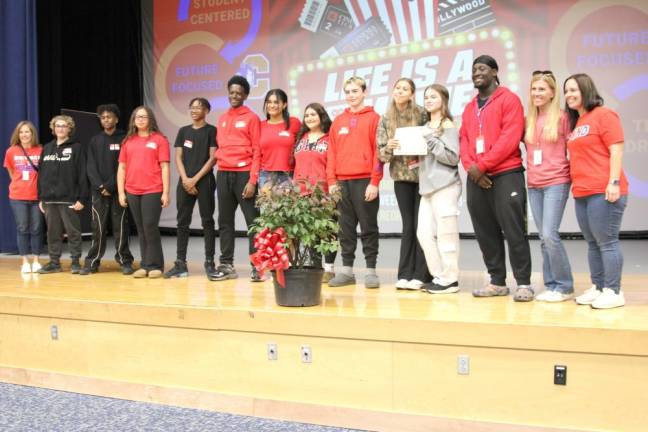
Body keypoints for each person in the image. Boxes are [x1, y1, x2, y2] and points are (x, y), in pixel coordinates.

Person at [459, 55, 533, 301]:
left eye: (482, 69)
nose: (477, 73)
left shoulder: (509, 100)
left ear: (494, 72)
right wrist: (473, 168)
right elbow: (465, 141)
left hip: (506, 175)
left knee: (514, 231)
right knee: (485, 233)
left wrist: (482, 165)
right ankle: (497, 282)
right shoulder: (470, 107)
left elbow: (510, 138)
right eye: (474, 70)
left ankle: (524, 283)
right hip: (476, 179)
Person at [564, 73, 629, 309]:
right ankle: (599, 286)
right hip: (582, 191)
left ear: (586, 90)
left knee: (607, 242)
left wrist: (613, 182)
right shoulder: (578, 122)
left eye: (574, 90)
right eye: (567, 91)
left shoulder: (604, 115)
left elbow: (617, 150)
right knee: (592, 243)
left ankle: (614, 290)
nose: (569, 95)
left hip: (603, 190)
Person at [326, 76, 383, 288]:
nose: (351, 95)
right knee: (345, 229)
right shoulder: (338, 121)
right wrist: (332, 181)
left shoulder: (375, 118)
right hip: (341, 183)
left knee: (369, 227)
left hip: (365, 181)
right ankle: (347, 272)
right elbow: (331, 152)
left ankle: (371, 272)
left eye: (355, 91)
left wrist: (375, 181)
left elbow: (379, 153)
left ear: (364, 92)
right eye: (348, 91)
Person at [377, 77, 431, 290]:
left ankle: (421, 274)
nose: (400, 91)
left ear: (412, 94)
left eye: (405, 89)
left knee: (422, 226)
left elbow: (435, 134)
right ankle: (404, 273)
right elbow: (381, 155)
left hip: (424, 177)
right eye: (397, 88)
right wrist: (389, 147)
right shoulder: (385, 118)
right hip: (401, 179)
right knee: (408, 226)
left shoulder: (421, 113)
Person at [524, 71, 574, 302]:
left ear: (553, 93)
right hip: (534, 184)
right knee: (543, 238)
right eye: (534, 89)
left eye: (542, 89)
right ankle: (551, 284)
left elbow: (576, 147)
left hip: (556, 181)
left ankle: (564, 286)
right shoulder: (530, 119)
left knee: (549, 234)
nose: (537, 93)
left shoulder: (562, 118)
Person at [209, 75, 262, 282]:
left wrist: (252, 180)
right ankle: (227, 265)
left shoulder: (252, 118)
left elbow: (257, 150)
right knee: (224, 221)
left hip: (244, 175)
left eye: (239, 92)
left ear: (246, 95)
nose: (235, 96)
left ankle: (258, 267)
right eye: (231, 92)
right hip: (223, 174)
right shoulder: (222, 118)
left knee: (253, 223)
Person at [164, 98, 217, 279]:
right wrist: (186, 179)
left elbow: (212, 158)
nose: (194, 110)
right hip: (185, 181)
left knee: (207, 221)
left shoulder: (212, 131)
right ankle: (180, 263)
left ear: (207, 111)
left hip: (204, 181)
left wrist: (195, 179)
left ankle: (209, 262)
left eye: (198, 107)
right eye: (192, 107)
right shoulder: (183, 131)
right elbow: (178, 157)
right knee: (182, 222)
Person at [417, 84, 462, 294]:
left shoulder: (448, 125)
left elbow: (452, 158)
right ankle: (440, 276)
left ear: (443, 100)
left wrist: (431, 140)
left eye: (433, 97)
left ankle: (451, 279)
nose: (428, 100)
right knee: (423, 234)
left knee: (447, 234)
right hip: (427, 187)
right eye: (426, 97)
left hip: (446, 185)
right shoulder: (424, 126)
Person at [80, 104, 135, 275]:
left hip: (119, 191)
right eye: (103, 117)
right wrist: (100, 186)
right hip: (99, 192)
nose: (106, 120)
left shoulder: (125, 139)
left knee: (121, 228)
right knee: (98, 228)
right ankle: (92, 261)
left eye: (109, 117)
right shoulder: (95, 140)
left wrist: (111, 186)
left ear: (116, 119)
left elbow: (125, 165)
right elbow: (90, 167)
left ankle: (125, 260)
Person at [117, 106, 170, 278]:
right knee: (140, 228)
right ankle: (145, 265)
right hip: (132, 190)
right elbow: (122, 168)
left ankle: (156, 266)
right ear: (133, 120)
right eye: (137, 117)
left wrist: (166, 192)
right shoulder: (128, 141)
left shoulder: (159, 139)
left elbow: (165, 167)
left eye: (144, 117)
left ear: (150, 120)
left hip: (153, 189)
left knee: (150, 226)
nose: (140, 120)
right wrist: (121, 192)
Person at [37, 115, 88, 274]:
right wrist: (41, 197)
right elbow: (42, 174)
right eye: (58, 126)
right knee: (52, 233)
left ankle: (74, 262)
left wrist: (82, 198)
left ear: (69, 129)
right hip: (49, 200)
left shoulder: (76, 147)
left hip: (69, 199)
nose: (60, 129)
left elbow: (82, 174)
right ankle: (54, 263)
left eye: (64, 126)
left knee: (73, 232)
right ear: (53, 129)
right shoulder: (47, 148)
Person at [293, 102, 337, 282]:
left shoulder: (329, 138)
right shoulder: (301, 138)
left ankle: (329, 268)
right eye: (307, 115)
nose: (310, 118)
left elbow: (333, 164)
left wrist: (332, 190)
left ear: (321, 116)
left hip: (324, 191)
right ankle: (316, 267)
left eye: (313, 114)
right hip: (302, 192)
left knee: (327, 231)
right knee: (310, 231)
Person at [3, 121, 43, 273]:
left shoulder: (41, 150)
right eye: (21, 132)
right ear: (17, 135)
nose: (24, 135)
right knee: (22, 228)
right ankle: (25, 261)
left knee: (37, 228)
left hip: (37, 197)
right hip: (18, 196)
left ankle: (36, 260)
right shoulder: (11, 151)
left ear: (32, 134)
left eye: (27, 132)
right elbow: (12, 174)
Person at [259, 89, 301, 187]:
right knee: (266, 203)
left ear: (284, 105)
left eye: (276, 102)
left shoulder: (294, 123)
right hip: (266, 175)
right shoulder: (260, 125)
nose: (272, 105)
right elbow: (256, 153)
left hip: (288, 175)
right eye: (269, 102)